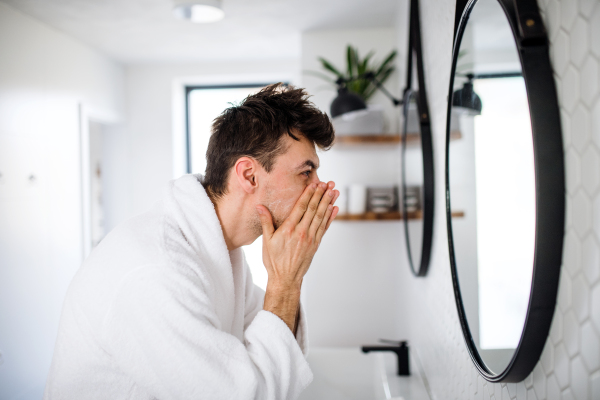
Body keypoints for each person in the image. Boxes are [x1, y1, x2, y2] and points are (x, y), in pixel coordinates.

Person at [44, 83, 339, 400]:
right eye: (306, 172)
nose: (320, 188)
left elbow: (272, 343)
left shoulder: (221, 253)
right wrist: (285, 282)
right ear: (249, 175)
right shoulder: (157, 269)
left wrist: (288, 277)